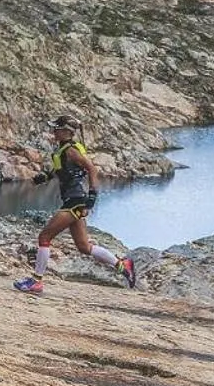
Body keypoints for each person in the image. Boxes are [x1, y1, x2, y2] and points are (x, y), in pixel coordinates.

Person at [13, 115, 137, 295]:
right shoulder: (62, 150)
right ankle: (122, 265)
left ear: (66, 132)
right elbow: (62, 171)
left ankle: (36, 282)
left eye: (56, 128)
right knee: (84, 247)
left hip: (75, 201)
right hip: (73, 200)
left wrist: (93, 196)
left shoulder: (70, 150)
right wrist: (45, 177)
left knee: (44, 237)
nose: (53, 131)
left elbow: (92, 169)